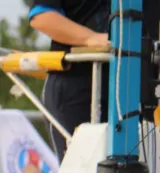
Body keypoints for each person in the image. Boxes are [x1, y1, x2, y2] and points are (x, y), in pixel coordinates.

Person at [29, 0, 109, 161]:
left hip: (137, 89)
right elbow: (42, 16)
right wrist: (92, 38)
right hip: (77, 87)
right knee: (82, 172)